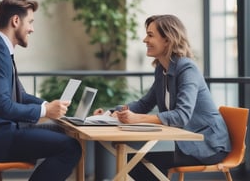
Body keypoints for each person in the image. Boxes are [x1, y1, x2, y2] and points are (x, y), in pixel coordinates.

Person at [0, 0, 81, 180]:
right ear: (15, 21)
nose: (32, 28)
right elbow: (3, 106)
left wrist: (49, 105)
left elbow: (19, 94)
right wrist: (45, 110)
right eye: (30, 22)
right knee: (70, 147)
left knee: (61, 132)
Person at [94, 14, 231, 180]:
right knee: (137, 162)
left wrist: (138, 119)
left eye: (150, 35)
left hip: (209, 145)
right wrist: (110, 114)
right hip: (186, 142)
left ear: (168, 40)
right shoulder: (161, 69)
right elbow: (144, 103)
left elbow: (182, 115)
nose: (145, 40)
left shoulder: (187, 69)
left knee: (142, 164)